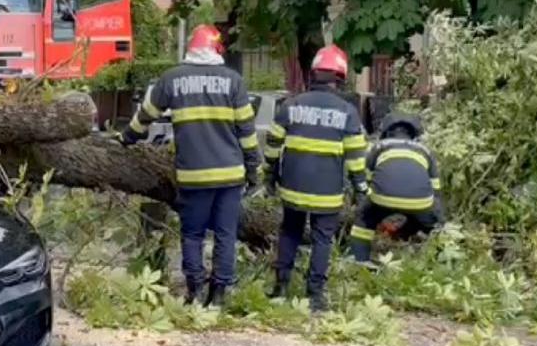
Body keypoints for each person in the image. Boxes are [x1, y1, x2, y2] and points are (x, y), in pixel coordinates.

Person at [121, 25, 261, 307]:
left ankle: (194, 291)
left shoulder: (172, 79)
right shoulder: (234, 82)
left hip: (193, 174)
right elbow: (247, 132)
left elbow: (145, 115)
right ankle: (219, 295)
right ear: (217, 50)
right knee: (225, 234)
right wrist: (254, 168)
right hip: (230, 175)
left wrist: (127, 138)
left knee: (193, 234)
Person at [263, 44, 368, 312]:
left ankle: (281, 286)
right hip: (327, 193)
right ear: (340, 77)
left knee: (290, 233)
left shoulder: (291, 105)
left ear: (313, 74)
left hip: (293, 188)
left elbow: (273, 143)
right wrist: (361, 189)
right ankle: (315, 296)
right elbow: (356, 159)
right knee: (323, 239)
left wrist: (270, 174)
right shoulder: (348, 112)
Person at [348, 112, 443, 262]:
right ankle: (440, 258)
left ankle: (359, 260)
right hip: (421, 202)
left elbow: (364, 179)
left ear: (386, 132)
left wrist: (359, 204)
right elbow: (436, 189)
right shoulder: (425, 150)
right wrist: (437, 217)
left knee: (364, 221)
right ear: (414, 133)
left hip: (382, 199)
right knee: (434, 224)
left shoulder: (378, 147)